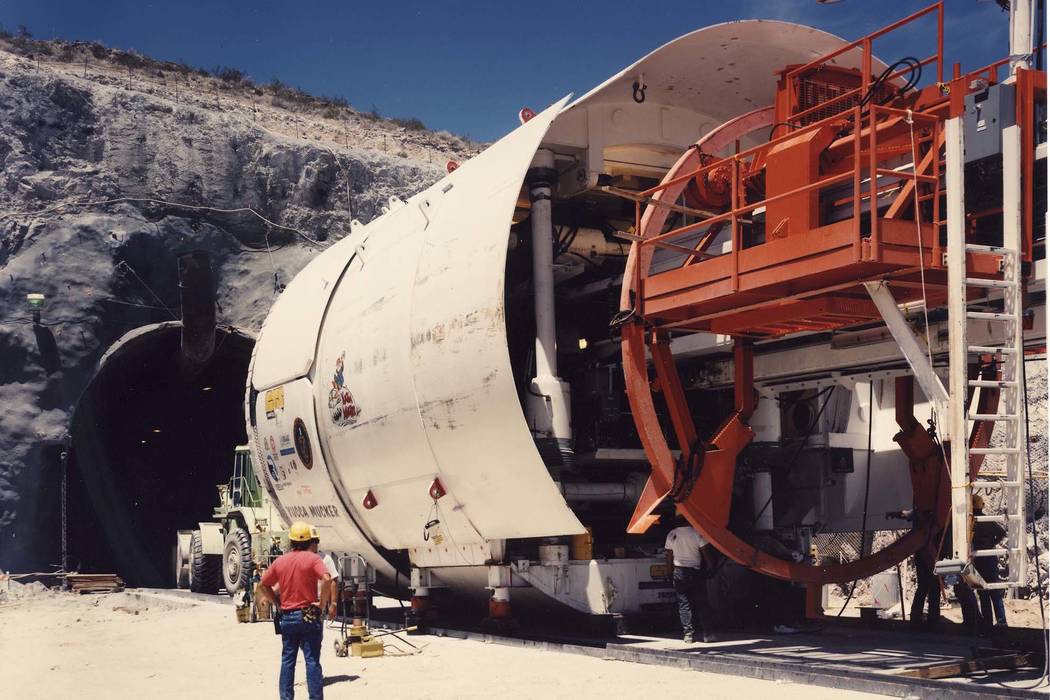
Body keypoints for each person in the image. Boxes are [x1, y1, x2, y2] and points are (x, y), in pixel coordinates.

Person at [257, 521, 337, 700]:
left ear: (291, 541)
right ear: (309, 540)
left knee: (288, 660)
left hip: (287, 616)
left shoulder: (281, 561)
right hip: (309, 615)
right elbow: (327, 578)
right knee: (312, 660)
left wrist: (275, 603)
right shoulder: (313, 558)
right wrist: (322, 603)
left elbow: (263, 584)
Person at [665, 513, 717, 643]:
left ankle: (688, 635)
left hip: (679, 572)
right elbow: (706, 553)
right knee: (702, 602)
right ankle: (708, 634)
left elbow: (669, 556)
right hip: (695, 572)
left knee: (684, 604)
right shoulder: (697, 533)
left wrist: (669, 572)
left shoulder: (672, 534)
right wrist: (711, 567)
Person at [972, 494, 1008, 630]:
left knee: (983, 592)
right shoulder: (987, 520)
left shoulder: (970, 522)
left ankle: (987, 623)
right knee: (994, 591)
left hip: (978, 560)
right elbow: (1002, 532)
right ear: (982, 505)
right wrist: (991, 544)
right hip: (990, 558)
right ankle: (1001, 620)